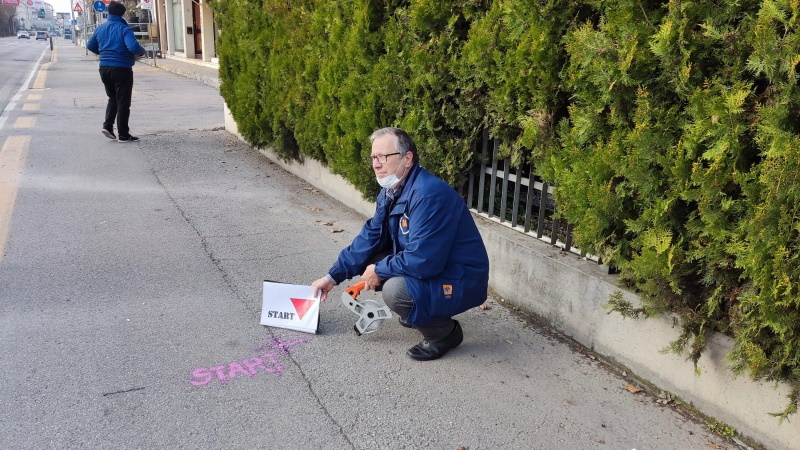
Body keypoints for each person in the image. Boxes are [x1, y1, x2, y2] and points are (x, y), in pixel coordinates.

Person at [312, 127, 490, 361]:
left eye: (384, 157)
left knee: (395, 290)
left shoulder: (428, 195)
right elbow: (370, 237)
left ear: (407, 159)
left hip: (462, 278)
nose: (377, 164)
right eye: (374, 157)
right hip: (438, 266)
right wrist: (332, 277)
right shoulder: (391, 191)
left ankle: (445, 334)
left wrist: (379, 270)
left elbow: (424, 260)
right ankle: (420, 308)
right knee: (374, 258)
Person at [87, 1, 146, 143]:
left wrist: (103, 53)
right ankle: (124, 135)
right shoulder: (123, 29)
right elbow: (133, 46)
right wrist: (141, 52)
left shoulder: (100, 28)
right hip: (121, 68)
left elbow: (90, 45)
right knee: (123, 102)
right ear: (123, 14)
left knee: (113, 97)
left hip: (104, 68)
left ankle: (107, 126)